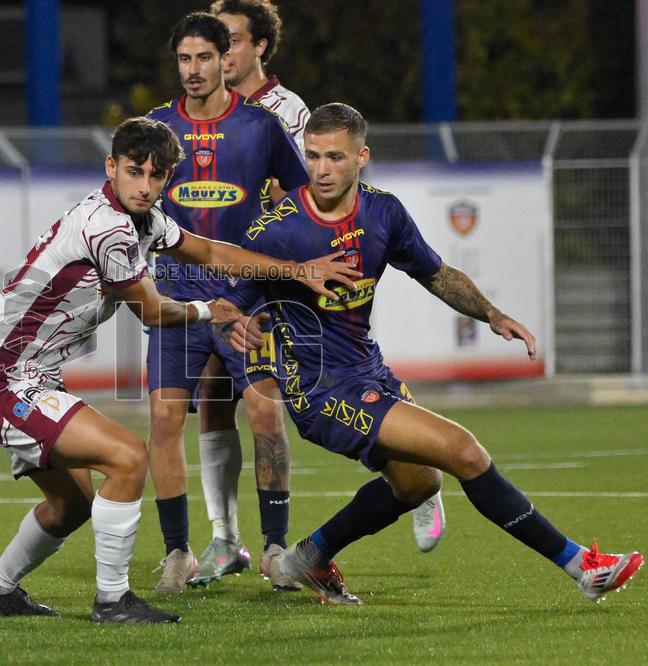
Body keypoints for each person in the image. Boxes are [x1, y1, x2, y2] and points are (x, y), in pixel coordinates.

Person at [221, 102, 643, 605]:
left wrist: (491, 314)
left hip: (368, 369)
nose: (321, 169)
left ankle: (307, 558)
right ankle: (582, 566)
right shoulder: (278, 228)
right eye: (312, 156)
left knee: (418, 485)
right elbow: (230, 302)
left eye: (335, 157)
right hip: (319, 388)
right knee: (464, 450)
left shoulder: (383, 212)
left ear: (361, 158)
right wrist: (237, 322)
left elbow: (437, 274)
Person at [0, 116, 358, 623]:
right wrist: (211, 310)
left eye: (156, 175)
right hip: (4, 383)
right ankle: (113, 601)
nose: (145, 186)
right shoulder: (107, 227)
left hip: (32, 378)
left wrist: (298, 271)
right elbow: (150, 311)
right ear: (111, 167)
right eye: (134, 172)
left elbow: (210, 251)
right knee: (128, 457)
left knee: (72, 504)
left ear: (169, 176)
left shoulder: (145, 219)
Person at [197, 0, 445, 589]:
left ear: (260, 46)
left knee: (266, 400)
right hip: (226, 270)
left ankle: (280, 544)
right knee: (211, 392)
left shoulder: (287, 111)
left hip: (286, 275)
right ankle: (224, 538)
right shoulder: (200, 111)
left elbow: (309, 193)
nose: (220, 54)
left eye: (231, 41)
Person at [144, 11, 309, 594]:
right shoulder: (156, 128)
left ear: (225, 59)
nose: (193, 70)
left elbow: (300, 202)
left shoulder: (261, 126)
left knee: (266, 414)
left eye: (204, 58)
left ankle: (274, 548)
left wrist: (280, 264)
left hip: (247, 301)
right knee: (164, 419)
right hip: (177, 301)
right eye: (184, 59)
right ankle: (177, 552)